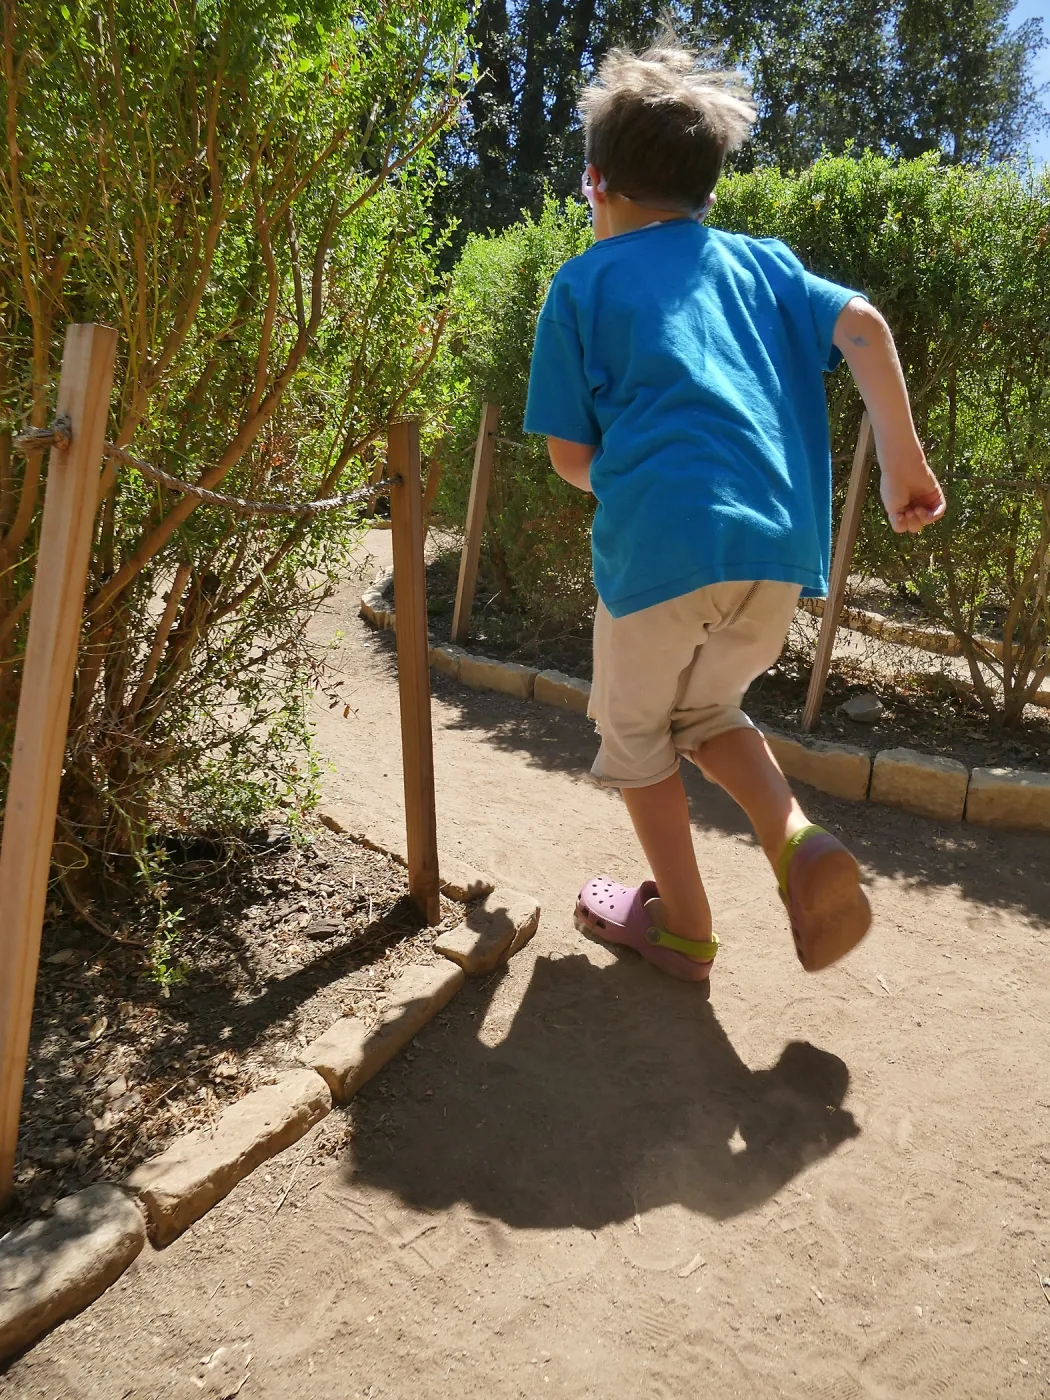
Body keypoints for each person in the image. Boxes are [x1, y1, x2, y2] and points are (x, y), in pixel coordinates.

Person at [522, 41, 945, 981]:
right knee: (709, 710)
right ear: (710, 190)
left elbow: (568, 458)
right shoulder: (769, 265)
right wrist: (900, 469)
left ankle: (684, 927)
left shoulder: (582, 284)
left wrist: (640, 489)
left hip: (660, 554)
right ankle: (798, 840)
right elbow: (866, 327)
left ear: (595, 182)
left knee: (635, 742)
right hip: (779, 553)